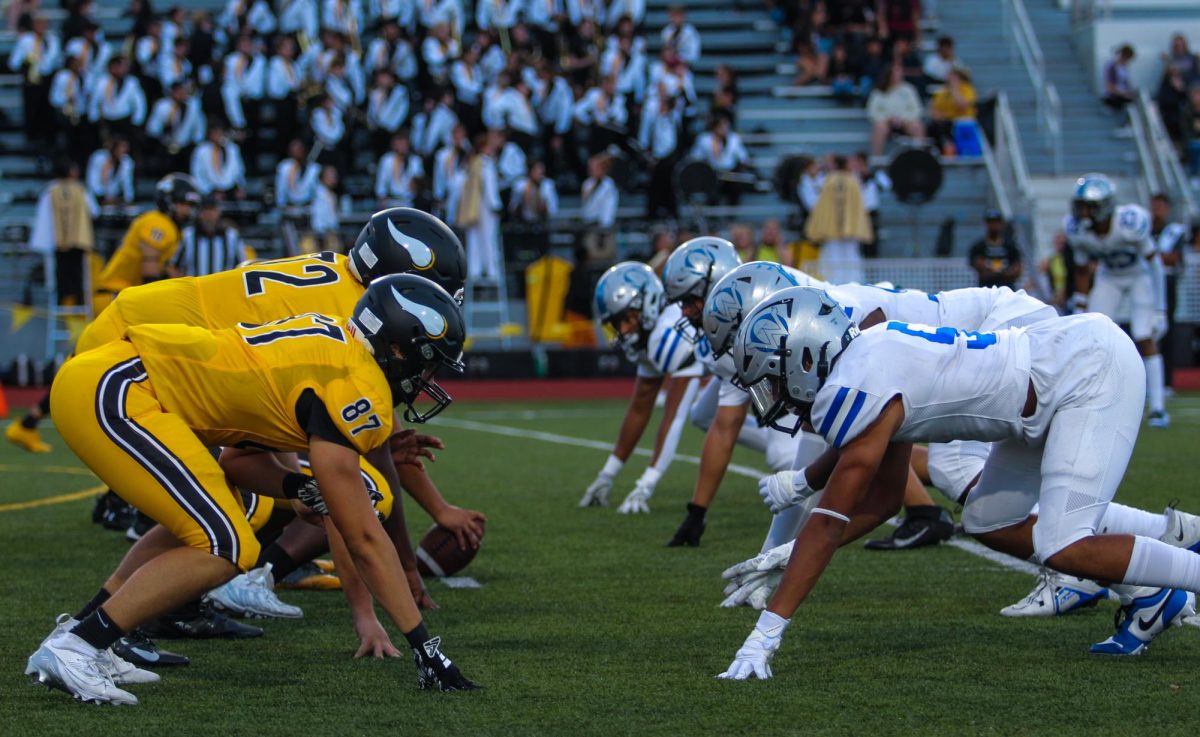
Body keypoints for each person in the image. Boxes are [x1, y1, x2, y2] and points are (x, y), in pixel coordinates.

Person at [25, 275, 479, 704]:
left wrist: (298, 486)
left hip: (117, 380)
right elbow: (362, 536)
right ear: (397, 348)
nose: (428, 379)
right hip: (122, 391)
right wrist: (425, 646)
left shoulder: (336, 345)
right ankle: (82, 644)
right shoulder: (357, 385)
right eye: (429, 361)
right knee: (227, 545)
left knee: (223, 519)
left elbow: (239, 460)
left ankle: (88, 634)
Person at [717, 287, 1200, 679]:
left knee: (1063, 545)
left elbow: (827, 525)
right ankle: (1155, 596)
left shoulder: (859, 387)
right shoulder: (869, 360)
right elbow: (886, 499)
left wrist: (767, 630)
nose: (772, 396)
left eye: (774, 380)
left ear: (805, 357)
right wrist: (797, 515)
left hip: (1085, 374)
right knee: (989, 520)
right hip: (1038, 397)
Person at [578, 262, 704, 511]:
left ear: (646, 304)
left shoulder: (669, 332)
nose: (623, 330)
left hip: (750, 369)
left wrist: (645, 485)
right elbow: (640, 407)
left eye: (626, 318)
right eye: (616, 322)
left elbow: (674, 417)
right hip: (733, 377)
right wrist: (607, 474)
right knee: (705, 416)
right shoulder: (648, 335)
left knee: (779, 453)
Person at [1065, 173, 1169, 428]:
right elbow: (1081, 270)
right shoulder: (1079, 230)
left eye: (1090, 206)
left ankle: (1157, 407)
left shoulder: (1129, 221)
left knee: (1144, 334)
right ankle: (1100, 399)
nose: (1084, 212)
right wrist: (1080, 305)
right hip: (1108, 277)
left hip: (1137, 277)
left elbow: (1154, 263)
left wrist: (1160, 308)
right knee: (1097, 336)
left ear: (1106, 205)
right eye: (1082, 206)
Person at [27, 159, 98, 309]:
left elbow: (43, 217)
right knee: (77, 270)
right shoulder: (80, 189)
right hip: (78, 238)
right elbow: (94, 211)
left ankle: (62, 299)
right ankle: (78, 299)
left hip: (57, 238)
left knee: (61, 270)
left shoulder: (50, 190)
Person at [804, 155, 871, 284]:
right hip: (851, 229)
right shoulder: (854, 181)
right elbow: (864, 203)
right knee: (851, 259)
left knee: (832, 260)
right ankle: (854, 286)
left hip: (831, 231)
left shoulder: (827, 181)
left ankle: (831, 287)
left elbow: (815, 203)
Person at [1149, 193, 1190, 390]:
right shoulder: (1143, 230)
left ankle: (1166, 382)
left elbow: (1174, 258)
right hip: (1145, 285)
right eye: (1153, 206)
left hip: (1166, 284)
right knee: (1145, 331)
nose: (1156, 211)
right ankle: (1147, 381)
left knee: (1166, 329)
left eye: (1160, 206)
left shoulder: (1174, 231)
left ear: (1167, 209)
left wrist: (1152, 258)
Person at [171, 197, 249, 277]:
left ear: (218, 212)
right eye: (205, 210)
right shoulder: (188, 235)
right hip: (197, 288)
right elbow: (173, 266)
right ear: (199, 213)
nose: (208, 215)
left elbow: (242, 267)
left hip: (223, 287)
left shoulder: (232, 236)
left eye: (212, 210)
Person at [866, 63, 924, 156]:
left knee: (917, 126)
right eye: (896, 74)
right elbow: (872, 111)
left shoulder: (909, 90)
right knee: (879, 127)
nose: (899, 76)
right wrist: (888, 119)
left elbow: (916, 109)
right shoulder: (878, 91)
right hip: (886, 122)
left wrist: (903, 119)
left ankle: (920, 155)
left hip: (906, 121)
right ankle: (876, 158)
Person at [189, 121, 247, 200]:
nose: (218, 135)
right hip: (208, 191)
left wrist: (240, 187)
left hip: (230, 190)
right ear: (210, 134)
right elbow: (197, 173)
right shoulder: (201, 150)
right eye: (215, 132)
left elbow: (239, 171)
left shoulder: (232, 149)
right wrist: (209, 190)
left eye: (220, 132)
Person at [969, 209, 1022, 288]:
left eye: (996, 222)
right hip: (986, 289)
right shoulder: (979, 247)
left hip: (1007, 289)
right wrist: (1004, 272)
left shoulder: (1010, 246)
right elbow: (981, 270)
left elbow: (1016, 269)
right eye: (990, 222)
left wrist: (991, 271)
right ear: (986, 224)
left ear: (1001, 223)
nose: (993, 225)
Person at [375, 131, 424, 208]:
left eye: (404, 143)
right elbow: (381, 183)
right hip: (391, 202)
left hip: (410, 202)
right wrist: (381, 198)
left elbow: (418, 183)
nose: (402, 146)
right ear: (393, 144)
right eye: (399, 143)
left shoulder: (415, 161)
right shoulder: (386, 160)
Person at [86, 137, 135, 205]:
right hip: (95, 198)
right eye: (121, 147)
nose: (124, 151)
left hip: (114, 199)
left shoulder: (126, 162)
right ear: (114, 148)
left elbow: (127, 185)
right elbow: (92, 183)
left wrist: (128, 200)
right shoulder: (98, 158)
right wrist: (103, 197)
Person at [1103, 44, 1136, 112]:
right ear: (1124, 56)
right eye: (1127, 59)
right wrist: (1124, 94)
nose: (1128, 61)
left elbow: (1125, 84)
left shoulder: (1124, 68)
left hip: (1121, 95)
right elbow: (1110, 88)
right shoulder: (1113, 67)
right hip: (1113, 96)